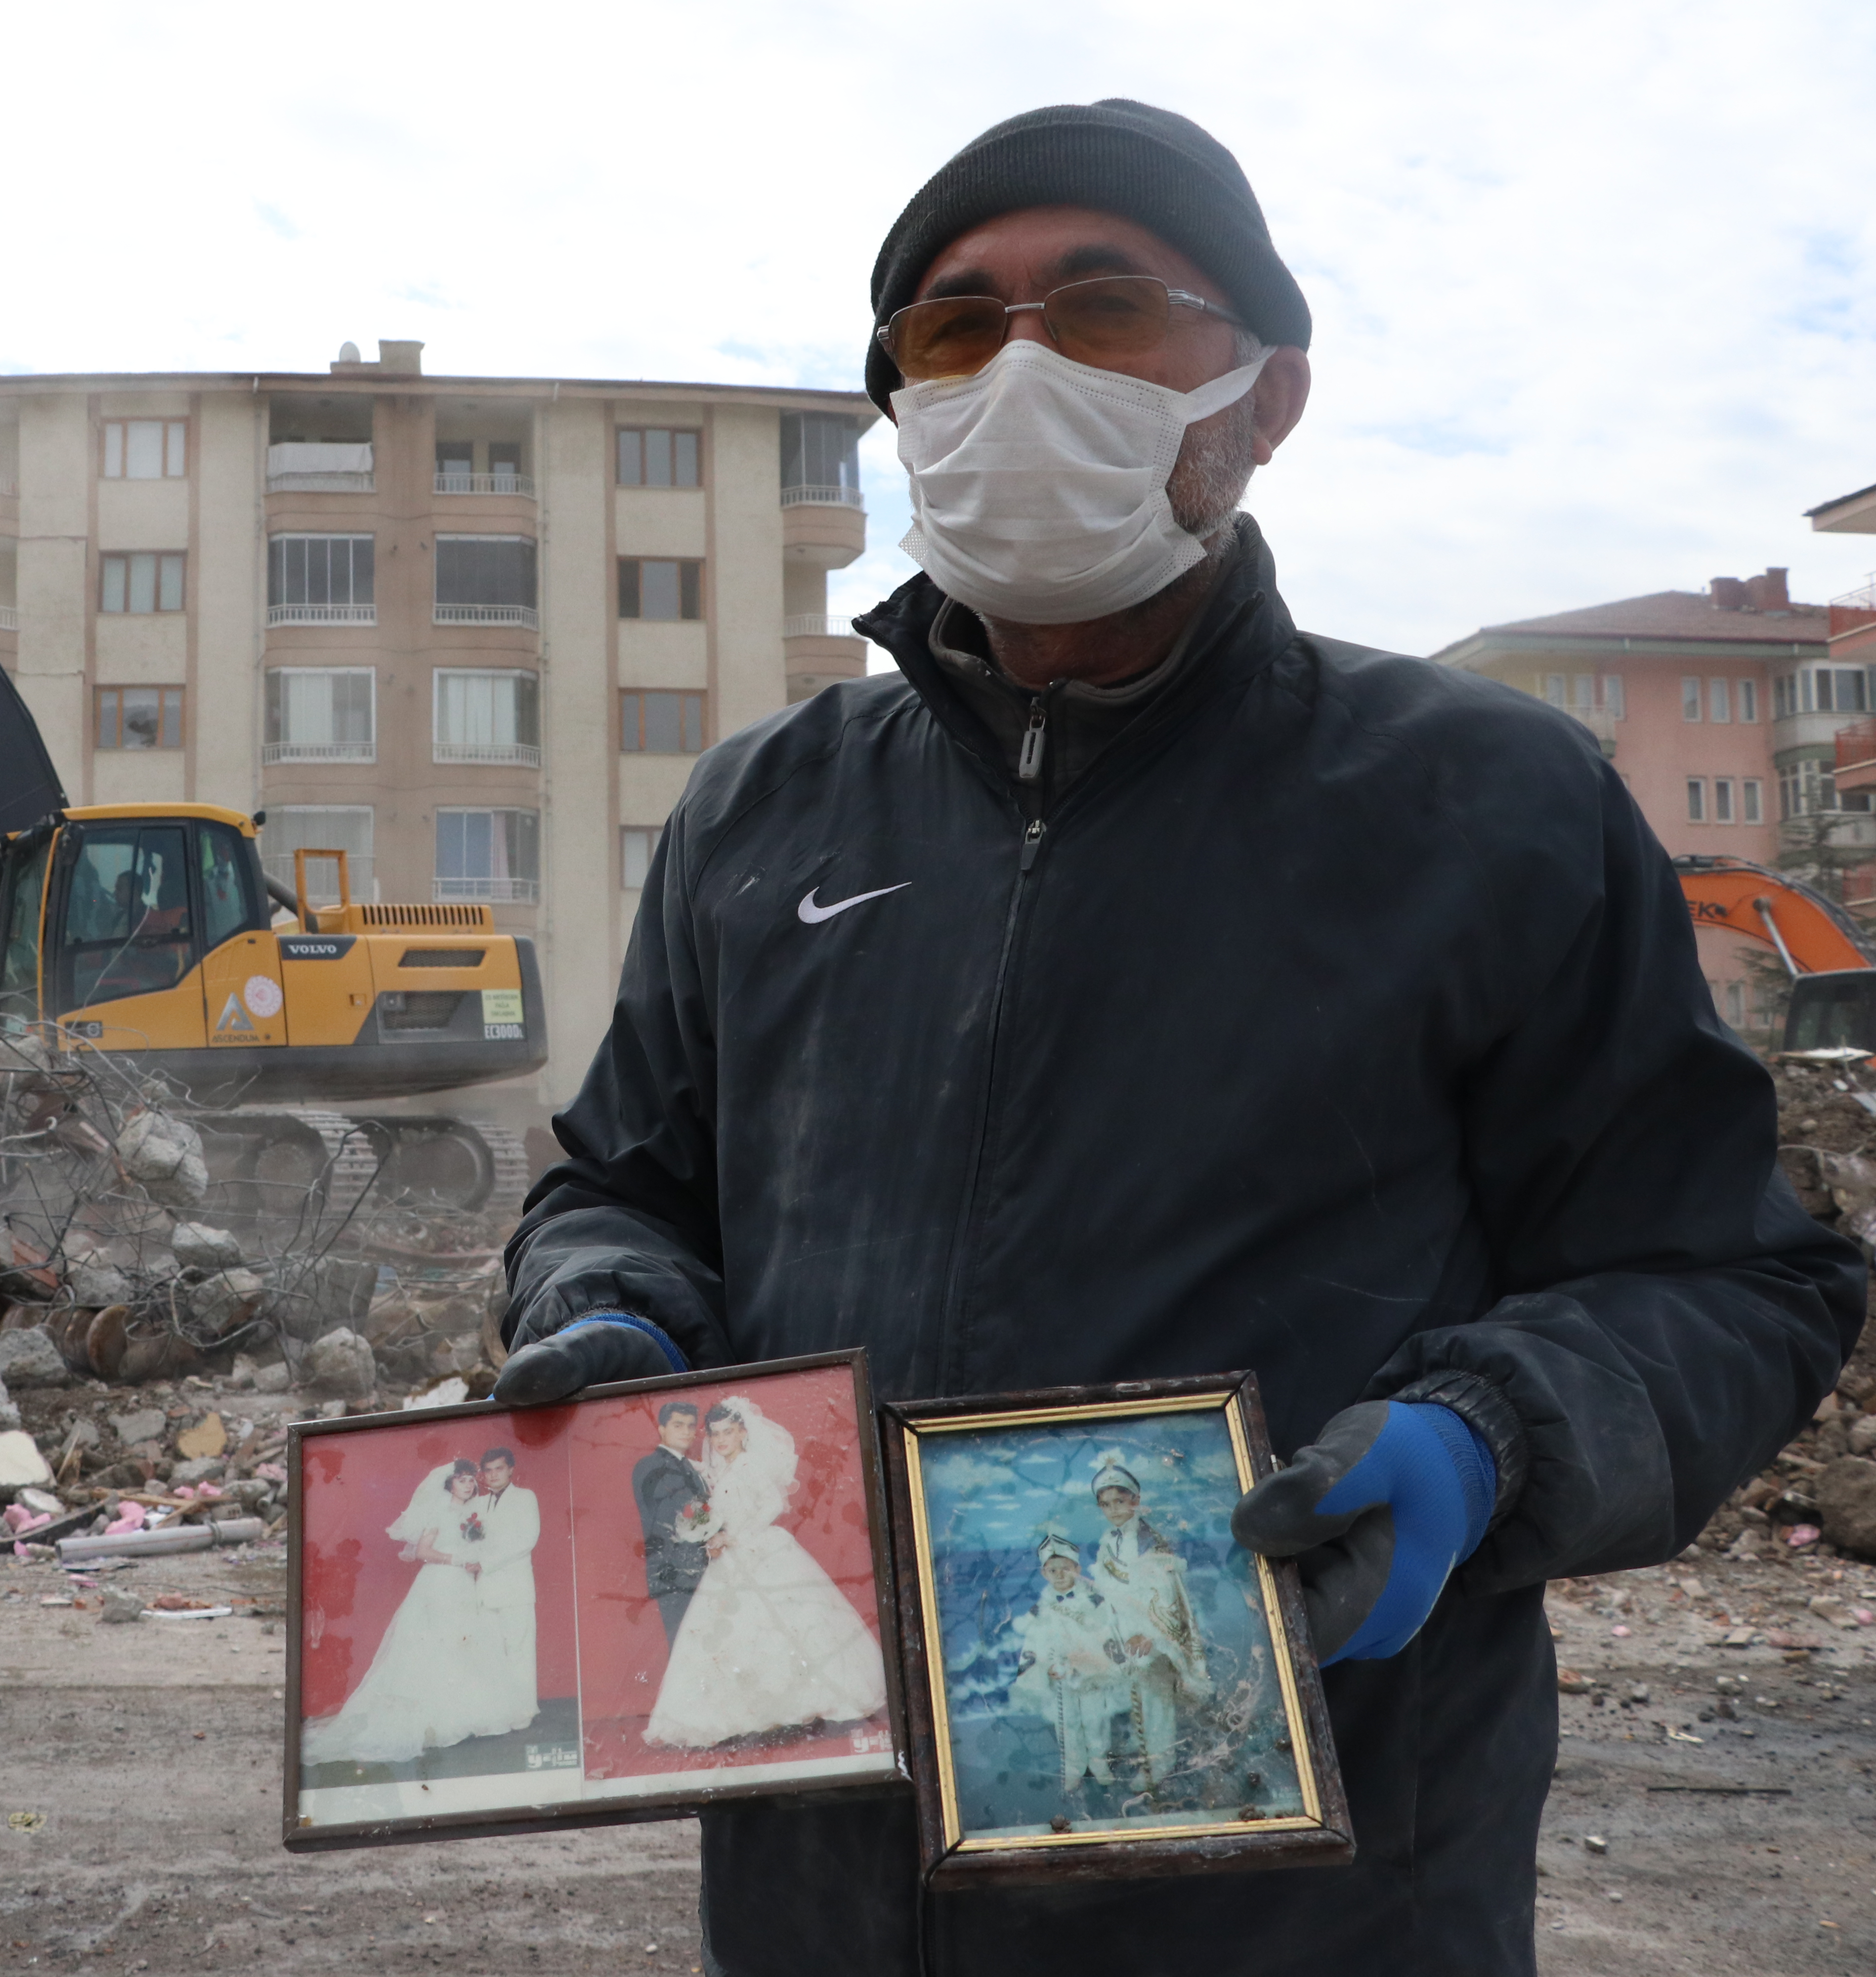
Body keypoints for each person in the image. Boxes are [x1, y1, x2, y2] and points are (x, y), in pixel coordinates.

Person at [491, 97, 1862, 1972]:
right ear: (900, 405)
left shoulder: (1486, 801)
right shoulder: (763, 811)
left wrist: (1485, 1437)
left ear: (1266, 395)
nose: (1020, 367)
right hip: (825, 1869)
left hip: (1324, 1881)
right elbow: (623, 1183)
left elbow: (1727, 1282)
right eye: (955, 331)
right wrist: (607, 1312)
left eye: (1104, 307)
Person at [643, 1399, 891, 1750]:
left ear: (743, 1433)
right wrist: (710, 1533)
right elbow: (716, 1513)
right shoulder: (719, 1473)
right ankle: (750, 1714)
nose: (721, 1440)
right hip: (730, 1557)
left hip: (761, 1550)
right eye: (715, 1434)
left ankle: (802, 1705)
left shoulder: (748, 1465)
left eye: (728, 1432)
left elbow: (773, 1504)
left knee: (780, 1625)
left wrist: (736, 1536)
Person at [299, 1460, 527, 1765]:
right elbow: (422, 1552)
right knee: (436, 1643)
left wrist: (474, 1557)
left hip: (463, 1585)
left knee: (464, 1642)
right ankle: (432, 1719)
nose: (468, 1485)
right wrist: (457, 1559)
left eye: (471, 1480)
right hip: (439, 1584)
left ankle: (460, 1713)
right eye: (461, 1480)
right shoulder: (439, 1511)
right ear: (449, 1484)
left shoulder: (473, 1513)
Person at [1086, 1457, 1208, 1796]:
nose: (1113, 1510)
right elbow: (1107, 1590)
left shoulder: (1149, 1543)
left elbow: (1164, 1597)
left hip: (1150, 1637)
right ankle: (1133, 1756)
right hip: (1121, 1630)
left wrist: (1150, 1635)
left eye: (1120, 1502)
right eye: (1106, 1505)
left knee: (1156, 1702)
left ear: (1136, 1502)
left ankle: (1160, 1765)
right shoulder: (1109, 1542)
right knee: (1125, 1696)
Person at [1007, 1533, 1123, 1807]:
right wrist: (1044, 1667)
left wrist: (1098, 1663)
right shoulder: (1042, 1609)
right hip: (1061, 1678)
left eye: (1066, 1569)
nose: (1060, 1575)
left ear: (1078, 1570)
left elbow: (1107, 1636)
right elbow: (1034, 1642)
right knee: (1067, 1725)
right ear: (1044, 1573)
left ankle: (1099, 1763)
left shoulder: (1093, 1604)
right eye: (1053, 1570)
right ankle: (1074, 1769)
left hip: (1090, 1675)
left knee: (1095, 1721)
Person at [462, 1449, 543, 1733]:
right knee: (490, 1652)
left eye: (499, 1469)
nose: (493, 1475)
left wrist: (484, 1562)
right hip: (485, 1590)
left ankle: (523, 1711)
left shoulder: (525, 1498)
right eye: (488, 1470)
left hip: (515, 1588)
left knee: (519, 1650)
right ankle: (498, 1710)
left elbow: (527, 1539)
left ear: (511, 1470)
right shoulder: (478, 1503)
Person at [633, 1399, 713, 1644]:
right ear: (662, 1429)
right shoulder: (651, 1465)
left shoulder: (688, 1466)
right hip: (674, 1573)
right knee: (683, 1646)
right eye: (678, 1425)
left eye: (691, 1426)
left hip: (695, 1571)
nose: (687, 1432)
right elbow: (683, 1513)